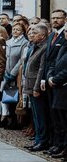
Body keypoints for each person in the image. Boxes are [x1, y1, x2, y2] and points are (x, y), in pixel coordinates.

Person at [40, 9, 66, 155]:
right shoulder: (51, 36)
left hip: (60, 82)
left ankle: (61, 144)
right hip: (50, 79)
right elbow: (49, 61)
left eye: (58, 18)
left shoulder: (64, 37)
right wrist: (46, 77)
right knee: (52, 114)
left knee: (60, 116)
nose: (55, 20)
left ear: (65, 19)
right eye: (53, 18)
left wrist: (54, 78)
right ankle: (56, 143)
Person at [23, 23, 49, 151]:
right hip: (29, 84)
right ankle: (38, 139)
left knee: (40, 115)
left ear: (43, 36)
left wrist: (36, 88)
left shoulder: (44, 48)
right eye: (31, 33)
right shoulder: (34, 46)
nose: (31, 35)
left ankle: (42, 140)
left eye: (34, 33)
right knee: (35, 114)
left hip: (35, 86)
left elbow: (41, 69)